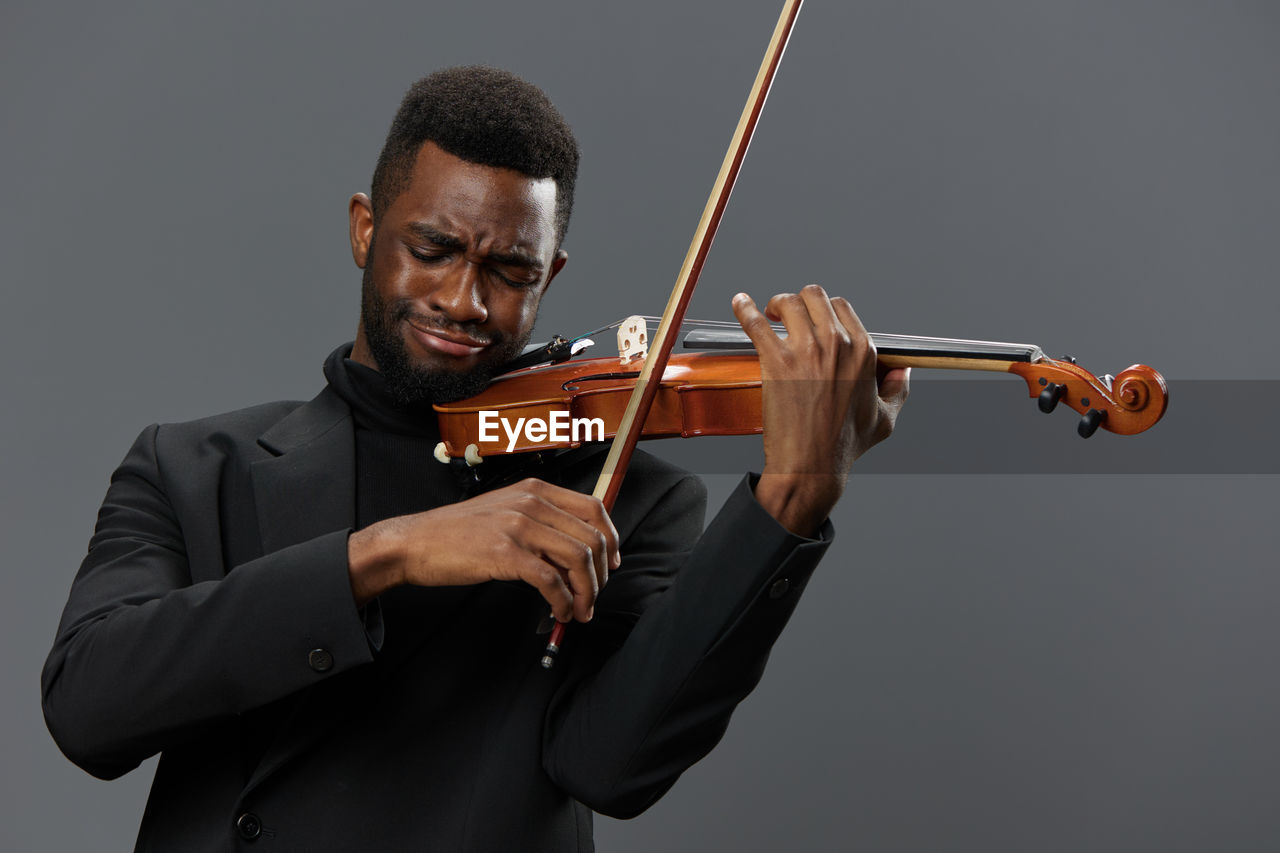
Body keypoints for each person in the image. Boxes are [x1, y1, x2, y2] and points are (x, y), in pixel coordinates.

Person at [41, 66, 909, 852]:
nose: (463, 300)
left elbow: (609, 765)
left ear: (551, 276)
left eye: (509, 271)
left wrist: (790, 500)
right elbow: (88, 708)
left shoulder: (625, 497)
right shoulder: (193, 467)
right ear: (364, 229)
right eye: (433, 250)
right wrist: (391, 551)